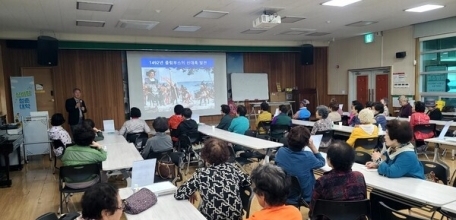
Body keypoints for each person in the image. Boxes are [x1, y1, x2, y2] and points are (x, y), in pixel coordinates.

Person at [175, 138, 251, 220]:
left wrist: (191, 191)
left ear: (206, 157)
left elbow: (179, 194)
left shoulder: (202, 173)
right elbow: (248, 182)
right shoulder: (233, 169)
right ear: (226, 155)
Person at [365, 120, 424, 220]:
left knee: (379, 199)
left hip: (410, 193)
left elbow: (391, 172)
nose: (384, 136)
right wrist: (377, 165)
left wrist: (379, 160)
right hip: (399, 187)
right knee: (375, 193)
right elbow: (390, 164)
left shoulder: (408, 154)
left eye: (387, 134)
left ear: (396, 139)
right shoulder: (395, 147)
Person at [309, 141, 367, 219]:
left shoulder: (323, 181)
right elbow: (363, 201)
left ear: (329, 161)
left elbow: (313, 209)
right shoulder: (359, 176)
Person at [275, 126, 325, 205]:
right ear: (307, 142)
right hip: (305, 195)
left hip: (284, 191)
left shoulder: (280, 151)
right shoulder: (308, 156)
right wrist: (312, 147)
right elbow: (322, 162)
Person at [61, 123, 107, 189]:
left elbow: (63, 160)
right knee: (104, 172)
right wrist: (99, 147)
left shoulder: (67, 150)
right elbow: (104, 156)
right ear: (91, 139)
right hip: (90, 182)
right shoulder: (94, 153)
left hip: (70, 183)